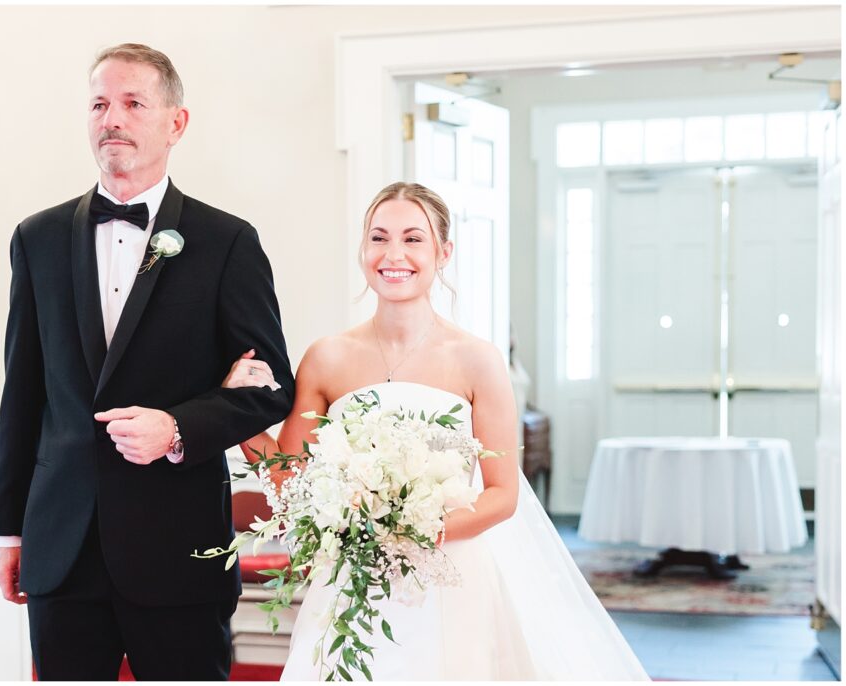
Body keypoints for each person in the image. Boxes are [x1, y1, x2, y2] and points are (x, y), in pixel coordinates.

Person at [223, 182, 649, 680]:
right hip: (351, 583)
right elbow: (289, 480)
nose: (394, 254)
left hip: (450, 578)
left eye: (413, 239)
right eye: (379, 238)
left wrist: (408, 533)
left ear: (443, 252)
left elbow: (502, 494)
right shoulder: (327, 357)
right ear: (364, 250)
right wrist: (237, 415)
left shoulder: (477, 361)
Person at [0, 43, 294, 680]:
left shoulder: (227, 242)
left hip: (179, 547)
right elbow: (22, 393)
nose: (112, 120)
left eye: (132, 103)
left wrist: (178, 429)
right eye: (99, 104)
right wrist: (5, 533)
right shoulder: (36, 238)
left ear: (175, 123)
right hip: (61, 547)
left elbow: (270, 387)